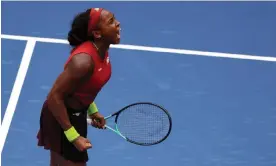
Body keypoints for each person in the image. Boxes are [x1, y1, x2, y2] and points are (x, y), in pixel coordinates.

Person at [36, 8, 121, 166]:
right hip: (60, 117)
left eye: (114, 19)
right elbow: (54, 97)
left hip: (76, 114)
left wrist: (93, 111)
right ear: (97, 33)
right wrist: (73, 136)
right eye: (111, 22)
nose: (118, 24)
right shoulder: (83, 62)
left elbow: (84, 88)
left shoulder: (102, 52)